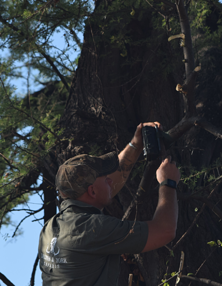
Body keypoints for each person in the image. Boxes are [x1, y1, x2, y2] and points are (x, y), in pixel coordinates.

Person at [38, 122, 180, 286]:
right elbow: (165, 230)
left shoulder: (49, 229)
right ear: (92, 192)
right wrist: (168, 182)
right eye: (105, 178)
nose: (111, 180)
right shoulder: (94, 228)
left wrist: (136, 144)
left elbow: (108, 187)